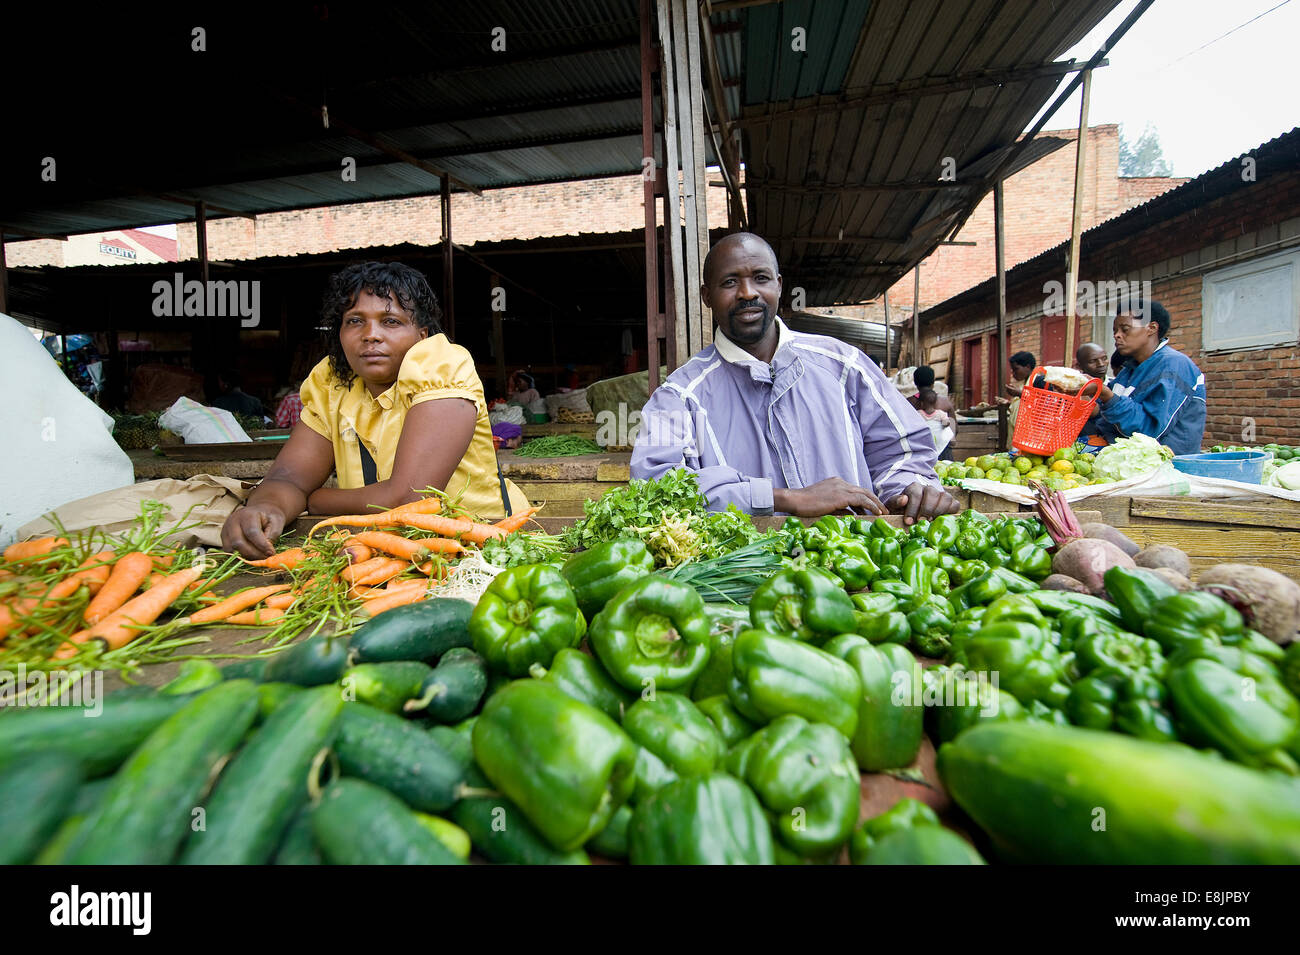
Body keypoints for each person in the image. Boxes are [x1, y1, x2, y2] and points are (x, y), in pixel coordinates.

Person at [630, 232, 957, 522]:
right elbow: (655, 488)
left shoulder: (845, 367)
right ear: (706, 296)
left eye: (760, 277)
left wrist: (906, 490)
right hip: (742, 584)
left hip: (859, 576)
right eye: (729, 282)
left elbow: (903, 450)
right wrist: (784, 498)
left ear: (779, 285)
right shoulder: (679, 397)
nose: (747, 292)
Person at [222, 262, 528, 558]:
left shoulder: (442, 365)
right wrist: (267, 508)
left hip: (485, 544)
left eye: (390, 321)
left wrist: (315, 499)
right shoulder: (332, 384)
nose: (371, 334)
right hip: (381, 549)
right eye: (355, 320)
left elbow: (409, 498)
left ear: (422, 335)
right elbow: (289, 479)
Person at [1090, 299, 1206, 455]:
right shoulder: (1128, 371)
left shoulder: (1174, 365)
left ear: (1151, 328)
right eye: (1115, 331)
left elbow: (1149, 431)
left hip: (1167, 467)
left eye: (1125, 329)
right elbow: (1106, 415)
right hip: (1126, 459)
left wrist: (1106, 395)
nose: (1117, 336)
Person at [908, 365, 958, 460]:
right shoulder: (945, 402)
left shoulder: (908, 403)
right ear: (933, 382)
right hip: (944, 451)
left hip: (917, 451)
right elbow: (953, 426)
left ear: (915, 382)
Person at [916, 388, 956, 459]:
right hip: (941, 443)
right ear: (936, 403)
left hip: (925, 445)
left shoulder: (919, 414)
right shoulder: (940, 414)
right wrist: (945, 424)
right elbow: (946, 422)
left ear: (921, 403)